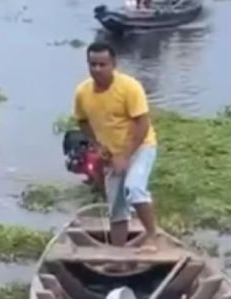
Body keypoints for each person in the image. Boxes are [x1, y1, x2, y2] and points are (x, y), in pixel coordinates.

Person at [73, 41, 159, 256]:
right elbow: (82, 121)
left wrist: (126, 156)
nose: (97, 70)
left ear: (113, 64)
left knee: (134, 188)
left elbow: (143, 123)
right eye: (93, 65)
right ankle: (118, 253)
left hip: (140, 147)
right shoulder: (83, 92)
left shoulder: (129, 87)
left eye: (103, 64)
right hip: (111, 153)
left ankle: (151, 234)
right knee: (117, 207)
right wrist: (97, 146)